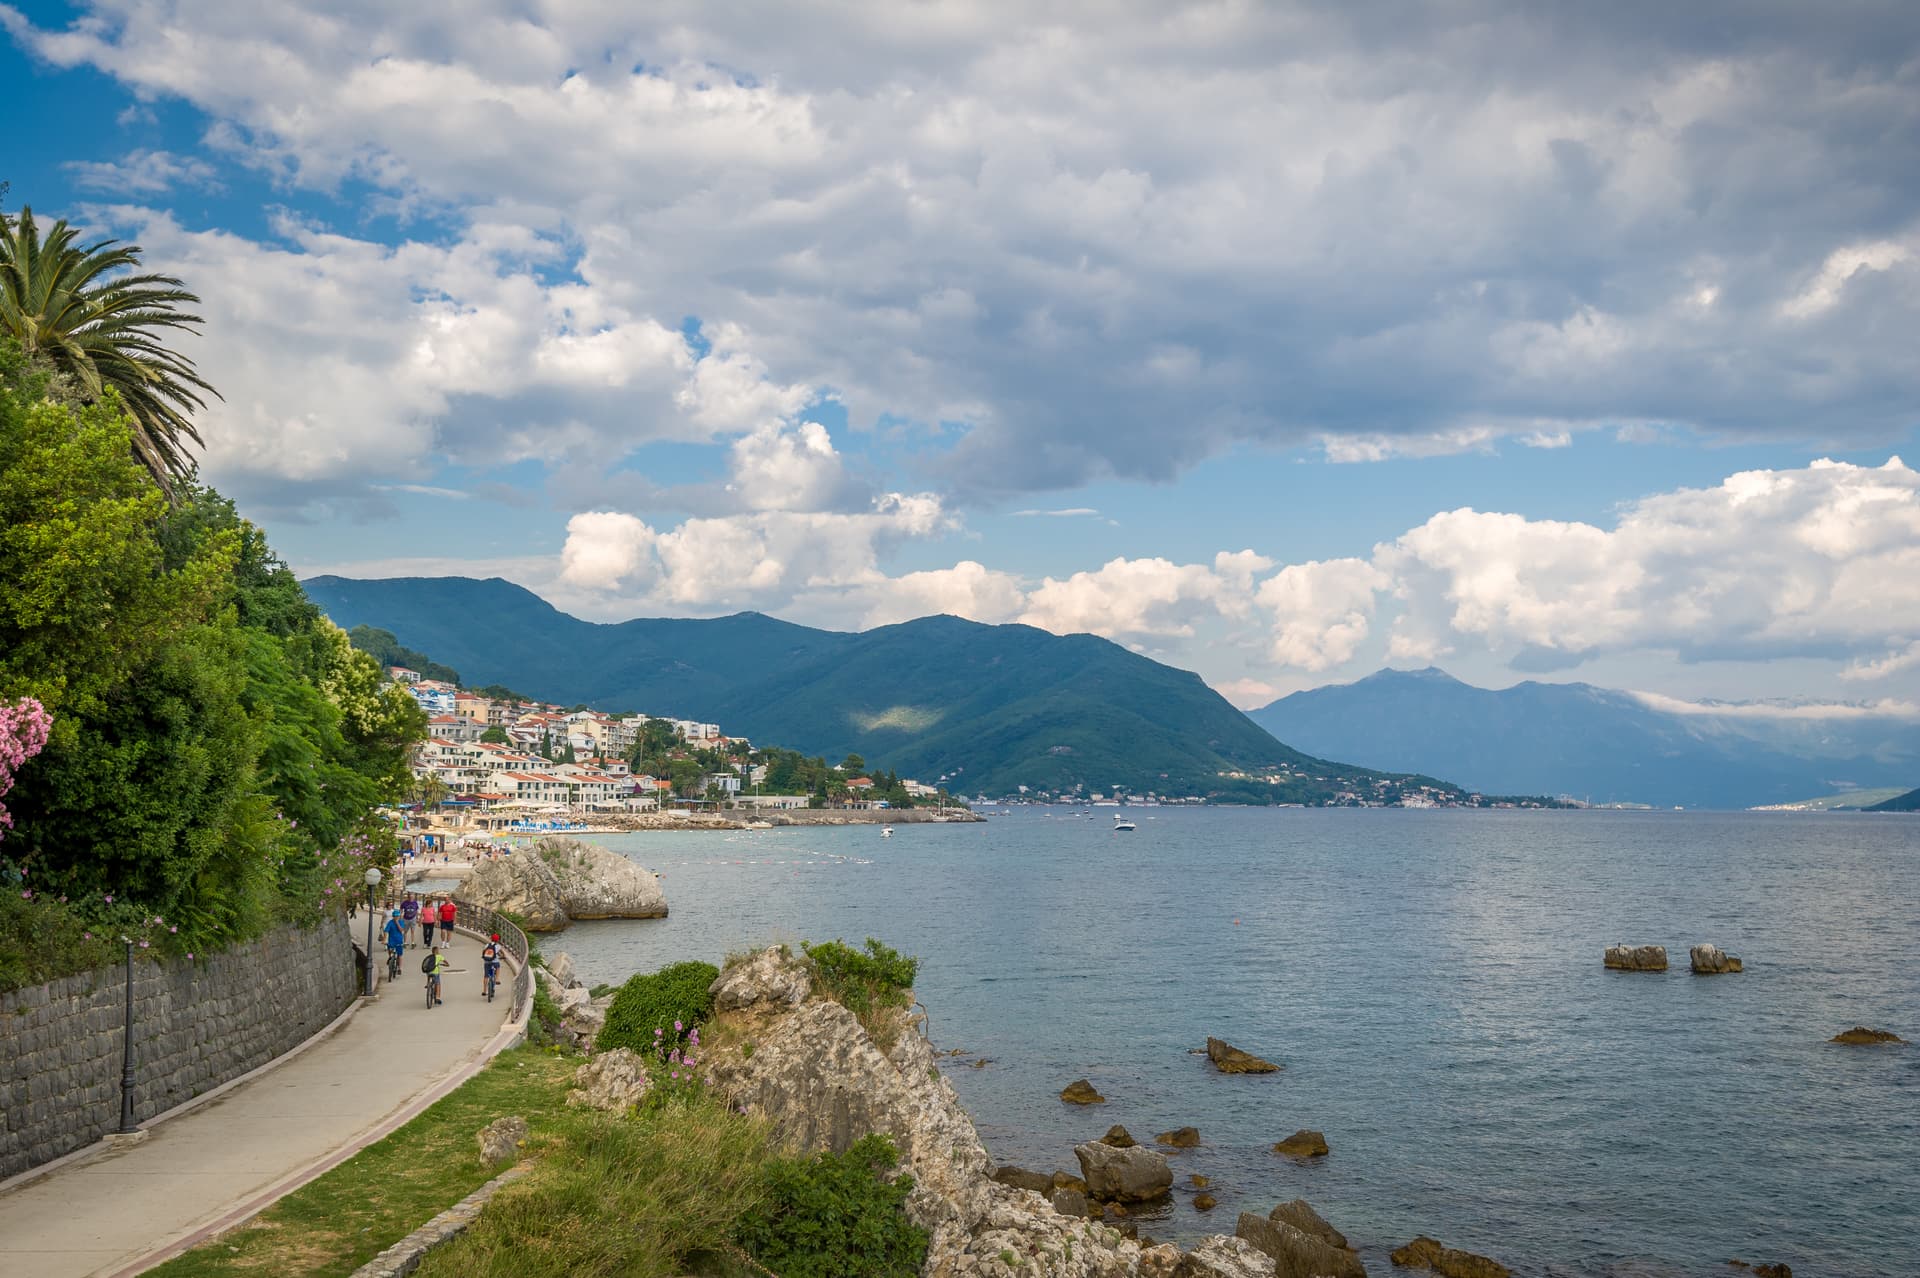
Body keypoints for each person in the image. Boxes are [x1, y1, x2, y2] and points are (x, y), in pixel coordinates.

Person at [382, 909, 405, 975]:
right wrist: (384, 939)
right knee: (389, 948)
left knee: (400, 955)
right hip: (391, 940)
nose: (396, 917)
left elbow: (401, 930)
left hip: (399, 940)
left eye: (397, 916)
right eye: (395, 916)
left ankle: (400, 968)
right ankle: (390, 957)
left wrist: (397, 923)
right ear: (393, 916)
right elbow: (386, 931)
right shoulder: (390, 922)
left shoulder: (401, 922)